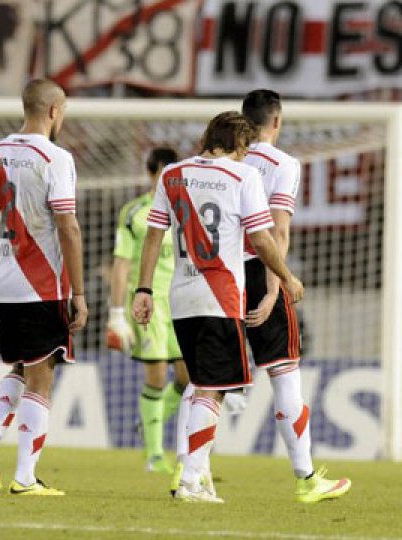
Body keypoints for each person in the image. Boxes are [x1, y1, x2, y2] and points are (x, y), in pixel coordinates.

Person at [133, 111, 305, 503]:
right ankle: (191, 478)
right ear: (241, 145)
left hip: (180, 297)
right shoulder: (244, 176)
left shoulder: (172, 174)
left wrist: (144, 289)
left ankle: (198, 474)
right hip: (220, 294)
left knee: (199, 384)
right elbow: (262, 241)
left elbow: (154, 234)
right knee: (213, 390)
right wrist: (287, 276)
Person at [0, 79, 88, 496]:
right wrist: (80, 293)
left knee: (19, 368)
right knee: (42, 378)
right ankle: (24, 477)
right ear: (55, 110)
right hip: (43, 285)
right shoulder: (56, 158)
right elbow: (68, 228)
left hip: (3, 281)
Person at [237, 89, 350, 502]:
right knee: (284, 373)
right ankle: (306, 479)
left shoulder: (227, 161)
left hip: (217, 275)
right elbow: (277, 231)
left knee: (206, 381)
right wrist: (274, 287)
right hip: (260, 269)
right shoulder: (283, 164)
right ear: (277, 122)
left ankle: (187, 473)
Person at [106, 147, 189, 474]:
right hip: (148, 303)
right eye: (162, 175)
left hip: (182, 301)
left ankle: (150, 421)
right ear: (152, 175)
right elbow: (122, 264)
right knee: (155, 375)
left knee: (188, 379)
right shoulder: (134, 212)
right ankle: (155, 455)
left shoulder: (185, 210)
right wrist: (116, 313)